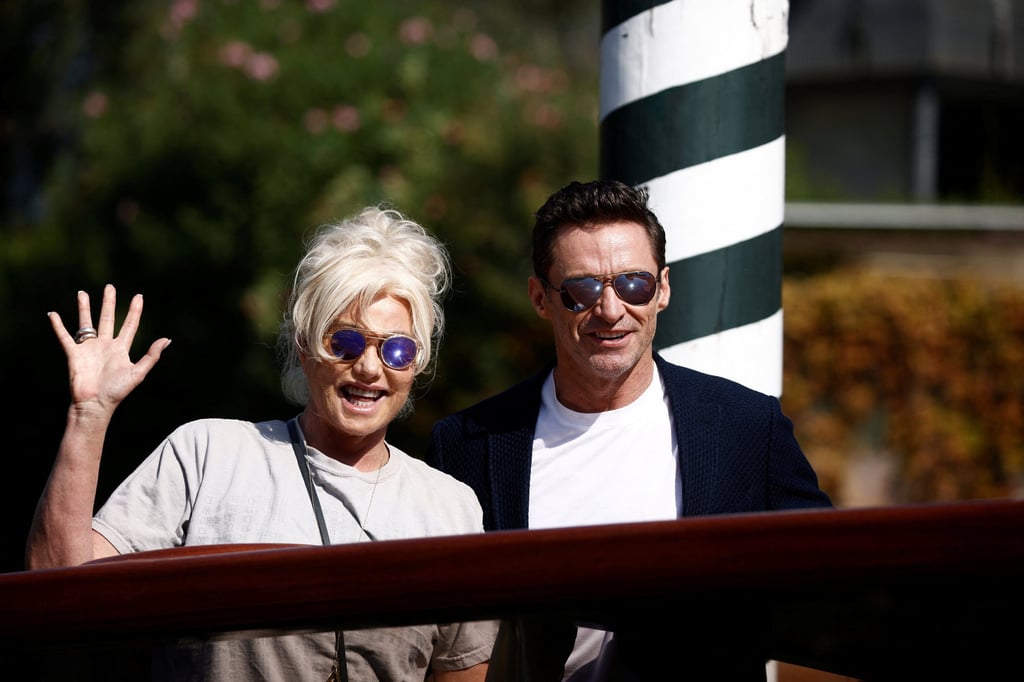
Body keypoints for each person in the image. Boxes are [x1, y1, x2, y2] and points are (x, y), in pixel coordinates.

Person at [27, 206, 497, 681]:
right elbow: (59, 586)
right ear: (303, 344)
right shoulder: (207, 455)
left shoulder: (450, 507)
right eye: (346, 343)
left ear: (416, 365)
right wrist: (88, 416)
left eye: (397, 349)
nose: (370, 369)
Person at [426, 179, 834, 681]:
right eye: (582, 290)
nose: (611, 310)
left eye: (633, 284)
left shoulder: (747, 427)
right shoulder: (467, 442)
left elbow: (829, 589)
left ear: (662, 289)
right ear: (540, 298)